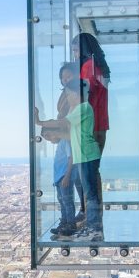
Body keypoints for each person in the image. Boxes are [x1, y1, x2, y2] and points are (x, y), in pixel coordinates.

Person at [39, 79, 103, 241]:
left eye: (68, 94)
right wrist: (54, 135)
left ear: (77, 94)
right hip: (84, 156)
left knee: (90, 194)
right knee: (88, 194)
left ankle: (94, 229)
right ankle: (91, 227)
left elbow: (62, 122)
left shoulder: (83, 108)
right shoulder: (79, 111)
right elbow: (70, 136)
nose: (67, 98)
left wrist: (39, 122)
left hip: (88, 155)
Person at [36, 63, 80, 239]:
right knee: (63, 200)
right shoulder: (64, 139)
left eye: (69, 76)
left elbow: (63, 124)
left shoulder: (70, 133)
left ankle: (70, 224)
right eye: (63, 77)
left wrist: (40, 122)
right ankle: (64, 223)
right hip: (59, 173)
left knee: (67, 200)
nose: (66, 80)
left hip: (65, 173)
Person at [71, 33, 110, 224]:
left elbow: (82, 96)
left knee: (85, 175)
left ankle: (89, 215)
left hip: (89, 125)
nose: (75, 55)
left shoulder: (87, 68)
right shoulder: (100, 69)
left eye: (76, 50)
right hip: (101, 124)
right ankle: (92, 214)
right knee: (92, 172)